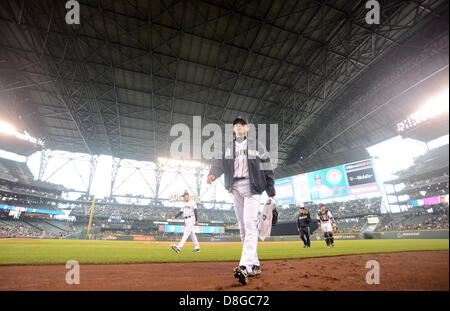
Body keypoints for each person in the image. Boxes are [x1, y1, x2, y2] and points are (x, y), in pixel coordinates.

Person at [207, 116, 276, 285]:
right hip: (235, 189)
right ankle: (255, 264)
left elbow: (267, 167)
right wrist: (213, 174)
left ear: (247, 128)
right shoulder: (227, 148)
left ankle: (244, 266)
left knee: (250, 222)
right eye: (236, 125)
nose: (239, 126)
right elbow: (219, 163)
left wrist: (271, 192)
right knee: (243, 228)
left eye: (242, 124)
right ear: (233, 129)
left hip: (253, 188)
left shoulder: (257, 145)